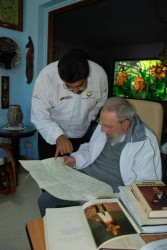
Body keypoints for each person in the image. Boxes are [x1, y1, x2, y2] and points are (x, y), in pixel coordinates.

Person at [38, 97, 162, 216]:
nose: (102, 129)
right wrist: (75, 159)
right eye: (101, 123)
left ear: (125, 124)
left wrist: (114, 198)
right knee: (45, 201)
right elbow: (90, 148)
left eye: (107, 126)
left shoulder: (144, 142)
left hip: (113, 190)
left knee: (88, 218)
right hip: (85, 178)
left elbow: (147, 186)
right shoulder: (106, 124)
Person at [31, 49, 108, 159]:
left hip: (81, 135)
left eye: (80, 85)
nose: (76, 91)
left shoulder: (99, 76)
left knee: (76, 172)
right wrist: (58, 135)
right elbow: (39, 116)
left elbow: (99, 105)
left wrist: (88, 121)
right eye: (69, 87)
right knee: (49, 173)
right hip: (50, 135)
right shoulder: (46, 77)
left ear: (87, 76)